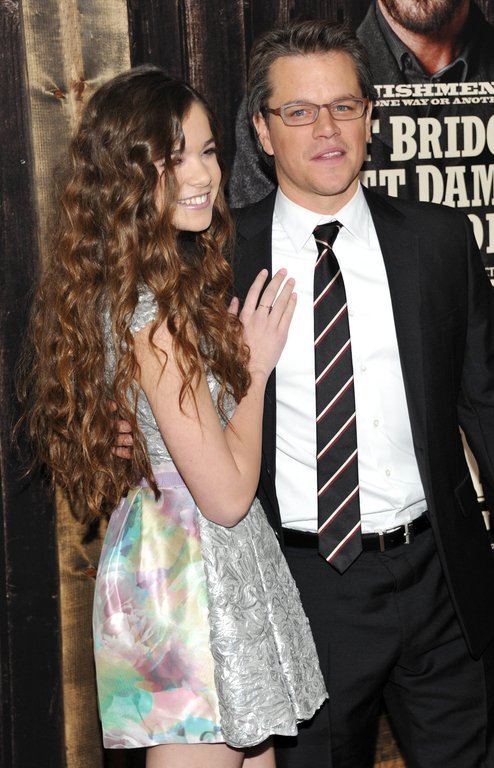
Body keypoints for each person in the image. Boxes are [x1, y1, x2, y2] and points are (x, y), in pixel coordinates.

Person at [229, 18, 494, 768]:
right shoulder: (218, 258)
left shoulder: (436, 240)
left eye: (344, 106)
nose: (327, 129)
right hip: (300, 588)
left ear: (370, 117)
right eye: (299, 111)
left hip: (441, 577)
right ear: (263, 130)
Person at [16, 65, 326, 768]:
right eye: (171, 158)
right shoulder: (154, 318)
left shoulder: (144, 290)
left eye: (208, 150)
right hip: (191, 583)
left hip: (193, 566)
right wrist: (255, 369)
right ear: (126, 178)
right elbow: (226, 497)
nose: (201, 174)